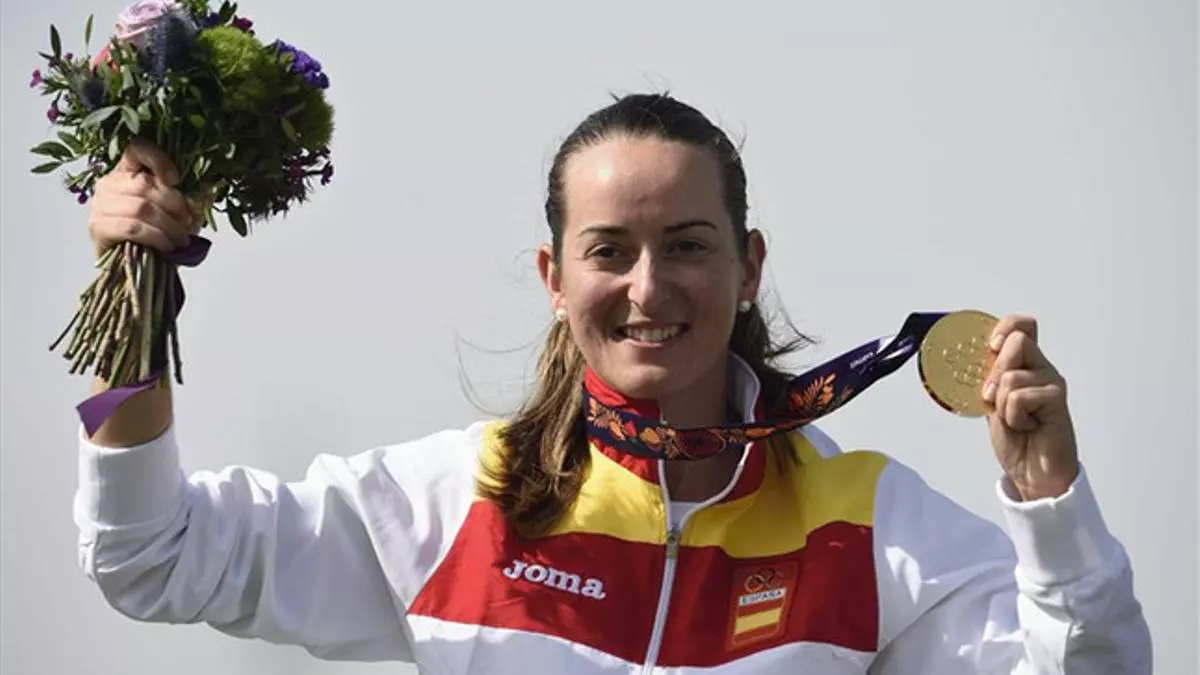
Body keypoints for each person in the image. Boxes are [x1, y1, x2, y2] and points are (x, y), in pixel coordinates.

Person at [74, 93, 1151, 673]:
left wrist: (1048, 501)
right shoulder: (454, 503)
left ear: (749, 267)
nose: (647, 288)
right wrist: (137, 301)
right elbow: (149, 555)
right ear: (555, 278)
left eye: (687, 245)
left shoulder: (869, 529)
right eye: (609, 251)